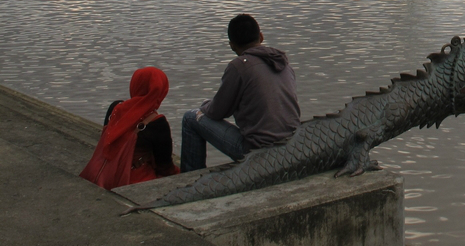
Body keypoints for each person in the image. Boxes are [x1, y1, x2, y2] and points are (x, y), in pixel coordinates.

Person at [180, 14, 300, 172]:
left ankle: (191, 178)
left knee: (191, 118)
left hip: (258, 153)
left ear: (231, 45)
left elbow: (217, 112)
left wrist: (205, 106)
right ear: (261, 36)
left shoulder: (239, 66)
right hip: (292, 147)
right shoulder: (283, 63)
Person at [80, 66, 180, 189]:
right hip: (132, 182)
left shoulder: (115, 108)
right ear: (161, 92)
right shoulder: (157, 123)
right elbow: (165, 167)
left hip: (101, 175)